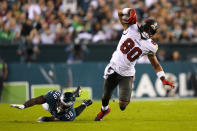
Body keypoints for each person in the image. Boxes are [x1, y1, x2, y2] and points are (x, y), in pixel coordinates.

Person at [94, 8, 175, 121]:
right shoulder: (131, 27)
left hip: (127, 73)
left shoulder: (151, 46)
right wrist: (129, 10)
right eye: (147, 29)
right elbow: (119, 13)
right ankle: (104, 110)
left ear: (153, 34)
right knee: (105, 96)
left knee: (123, 105)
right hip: (114, 67)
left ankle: (118, 99)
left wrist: (163, 78)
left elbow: (156, 64)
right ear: (143, 26)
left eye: (150, 31)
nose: (147, 32)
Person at [10, 86, 93, 122]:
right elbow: (36, 100)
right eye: (60, 102)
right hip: (50, 106)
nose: (60, 105)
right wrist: (24, 105)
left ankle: (82, 100)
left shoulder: (69, 115)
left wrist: (45, 119)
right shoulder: (54, 96)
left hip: (59, 113)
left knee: (74, 114)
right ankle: (75, 93)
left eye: (63, 105)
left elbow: (76, 113)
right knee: (45, 105)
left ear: (68, 107)